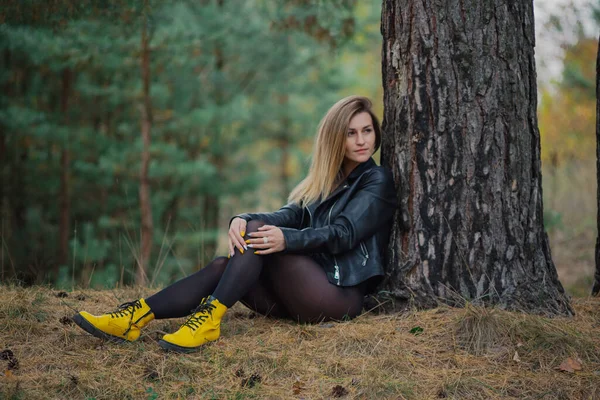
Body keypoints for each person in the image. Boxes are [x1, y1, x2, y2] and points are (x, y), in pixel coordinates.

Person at [72, 95, 398, 353]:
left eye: (366, 131)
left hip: (338, 295)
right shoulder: (328, 179)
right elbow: (290, 214)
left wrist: (287, 240)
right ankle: (135, 317)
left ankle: (208, 320)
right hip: (304, 291)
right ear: (335, 139)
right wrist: (242, 219)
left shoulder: (376, 180)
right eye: (351, 133)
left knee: (256, 237)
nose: (361, 140)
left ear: (376, 133)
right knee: (222, 263)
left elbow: (343, 235)